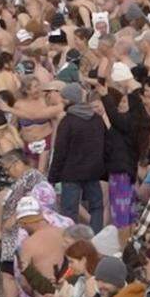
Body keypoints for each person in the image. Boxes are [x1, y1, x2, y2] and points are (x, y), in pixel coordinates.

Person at [48, 82, 107, 228]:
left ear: (69, 100)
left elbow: (60, 151)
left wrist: (53, 177)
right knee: (96, 206)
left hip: (71, 173)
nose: (61, 101)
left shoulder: (68, 122)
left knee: (69, 211)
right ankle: (96, 238)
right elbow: (106, 144)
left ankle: (72, 242)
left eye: (63, 98)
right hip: (93, 171)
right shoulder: (97, 119)